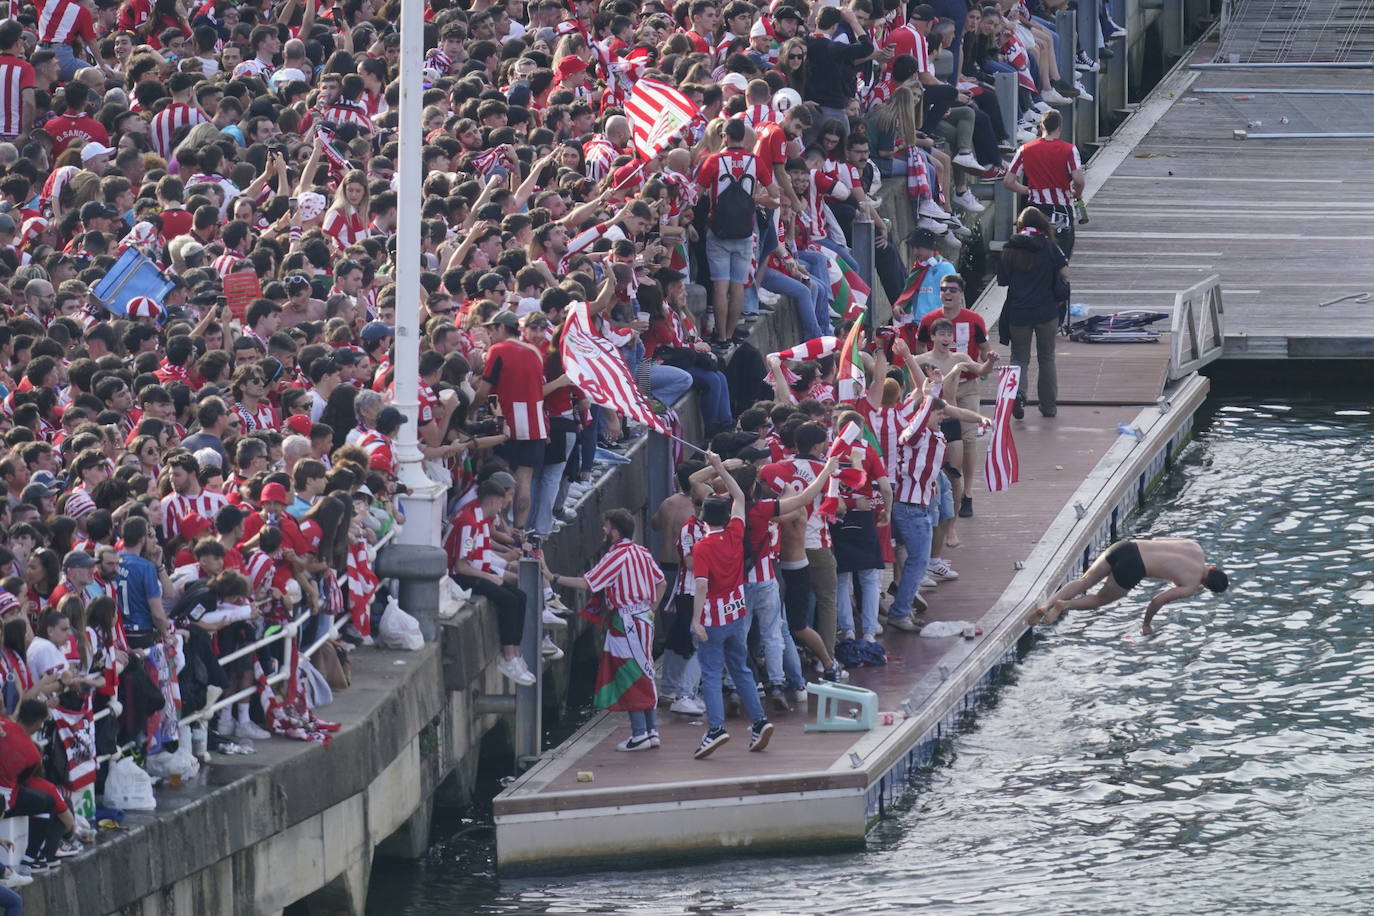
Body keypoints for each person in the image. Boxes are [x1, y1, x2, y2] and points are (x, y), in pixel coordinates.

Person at [543, 510, 665, 751]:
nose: (604, 530)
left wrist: (552, 576)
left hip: (626, 621)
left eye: (606, 526)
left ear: (616, 531)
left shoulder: (616, 556)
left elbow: (588, 583)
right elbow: (661, 582)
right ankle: (651, 731)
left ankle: (640, 734)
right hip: (644, 619)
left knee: (629, 674)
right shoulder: (642, 552)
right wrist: (651, 609)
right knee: (645, 670)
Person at [689, 451, 774, 759]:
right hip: (736, 612)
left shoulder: (701, 547)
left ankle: (715, 729)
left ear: (702, 519)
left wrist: (696, 620)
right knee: (741, 669)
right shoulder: (736, 533)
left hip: (712, 617)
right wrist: (718, 466)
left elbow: (701, 585)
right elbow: (739, 495)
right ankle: (759, 720)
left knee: (711, 673)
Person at [1030, 538, 1230, 634]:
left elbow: (1161, 543)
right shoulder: (1190, 585)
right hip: (1134, 567)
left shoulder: (1195, 547)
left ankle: (1047, 603)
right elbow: (1157, 600)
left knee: (1085, 581)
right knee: (1100, 600)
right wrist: (1146, 624)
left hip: (1127, 546)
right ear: (1208, 586)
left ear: (1213, 567)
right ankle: (1063, 605)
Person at [997, 207, 1068, 419]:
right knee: (1047, 358)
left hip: (1018, 312)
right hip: (1047, 312)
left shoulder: (1010, 247)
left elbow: (1002, 280)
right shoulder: (1049, 246)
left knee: (1019, 357)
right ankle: (1048, 407)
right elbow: (1065, 273)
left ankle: (1018, 393)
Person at [1003, 110, 1086, 258]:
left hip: (1034, 211)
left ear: (1041, 127)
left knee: (1033, 255)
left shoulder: (1025, 149)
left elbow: (1008, 182)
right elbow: (1079, 181)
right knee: (1061, 257)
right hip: (1061, 210)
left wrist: (1028, 190)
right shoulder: (1069, 150)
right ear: (1060, 127)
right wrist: (1077, 194)